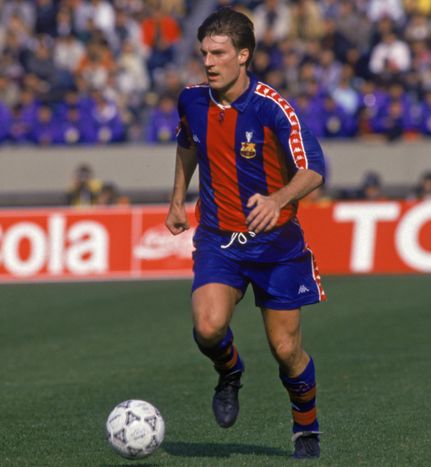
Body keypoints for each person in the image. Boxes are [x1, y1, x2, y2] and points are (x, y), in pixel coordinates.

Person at [165, 8, 327, 459]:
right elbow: (186, 144)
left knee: (285, 349)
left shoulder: (272, 107)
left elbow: (315, 169)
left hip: (276, 247)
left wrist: (277, 200)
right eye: (204, 53)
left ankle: (305, 426)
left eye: (218, 53)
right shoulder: (192, 100)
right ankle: (230, 372)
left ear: (243, 55)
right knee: (208, 328)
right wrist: (178, 198)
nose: (209, 62)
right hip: (219, 238)